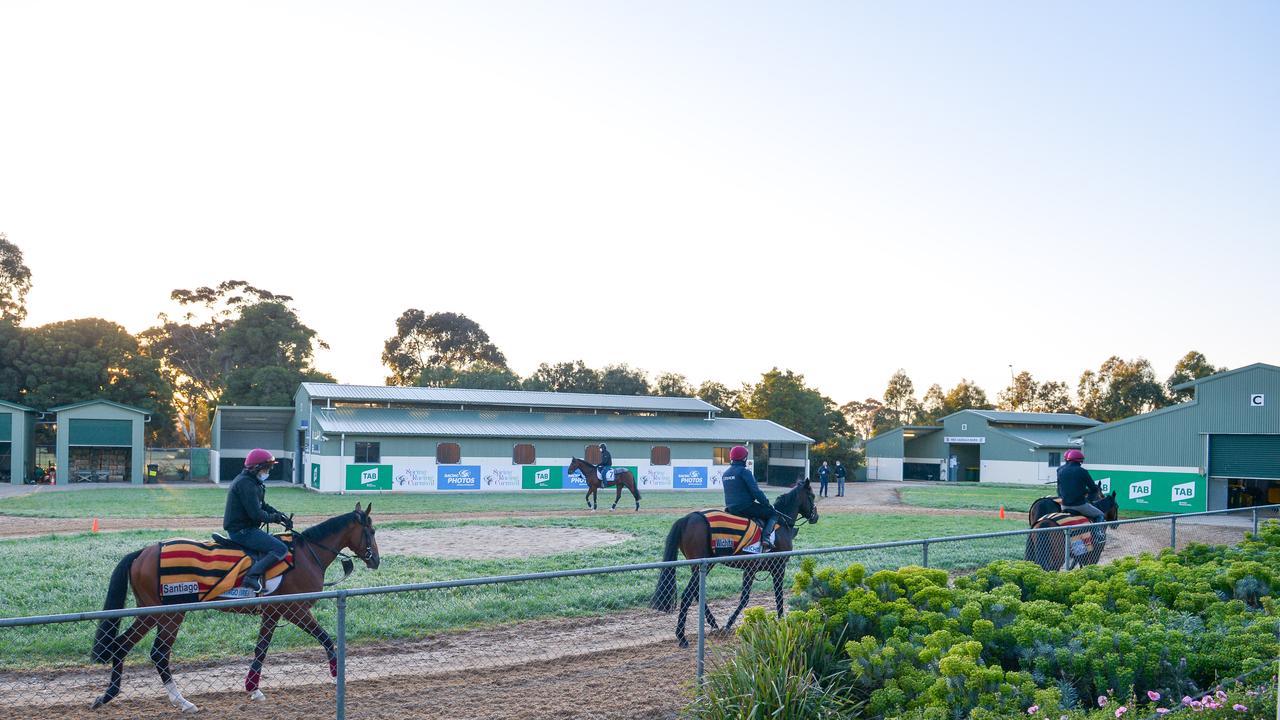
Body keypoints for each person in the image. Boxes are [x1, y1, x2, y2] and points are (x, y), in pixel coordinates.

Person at [223, 449, 292, 593]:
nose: (269, 471)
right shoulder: (245, 484)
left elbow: (263, 505)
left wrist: (281, 516)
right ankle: (251, 577)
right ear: (256, 468)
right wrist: (275, 518)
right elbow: (257, 515)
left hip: (247, 529)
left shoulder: (253, 482)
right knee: (281, 549)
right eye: (267, 468)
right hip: (241, 532)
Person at [722, 445, 778, 550]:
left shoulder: (726, 473)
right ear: (744, 458)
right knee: (773, 514)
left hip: (730, 508)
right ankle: (765, 539)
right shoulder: (745, 472)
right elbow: (756, 492)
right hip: (745, 507)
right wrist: (766, 504)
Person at [1056, 448, 1105, 542]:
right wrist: (1087, 491)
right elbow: (1093, 488)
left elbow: (1059, 489)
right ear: (1080, 461)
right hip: (1079, 506)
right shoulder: (1082, 471)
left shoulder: (1060, 470)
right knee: (1100, 515)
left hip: (1064, 505)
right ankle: (1097, 535)